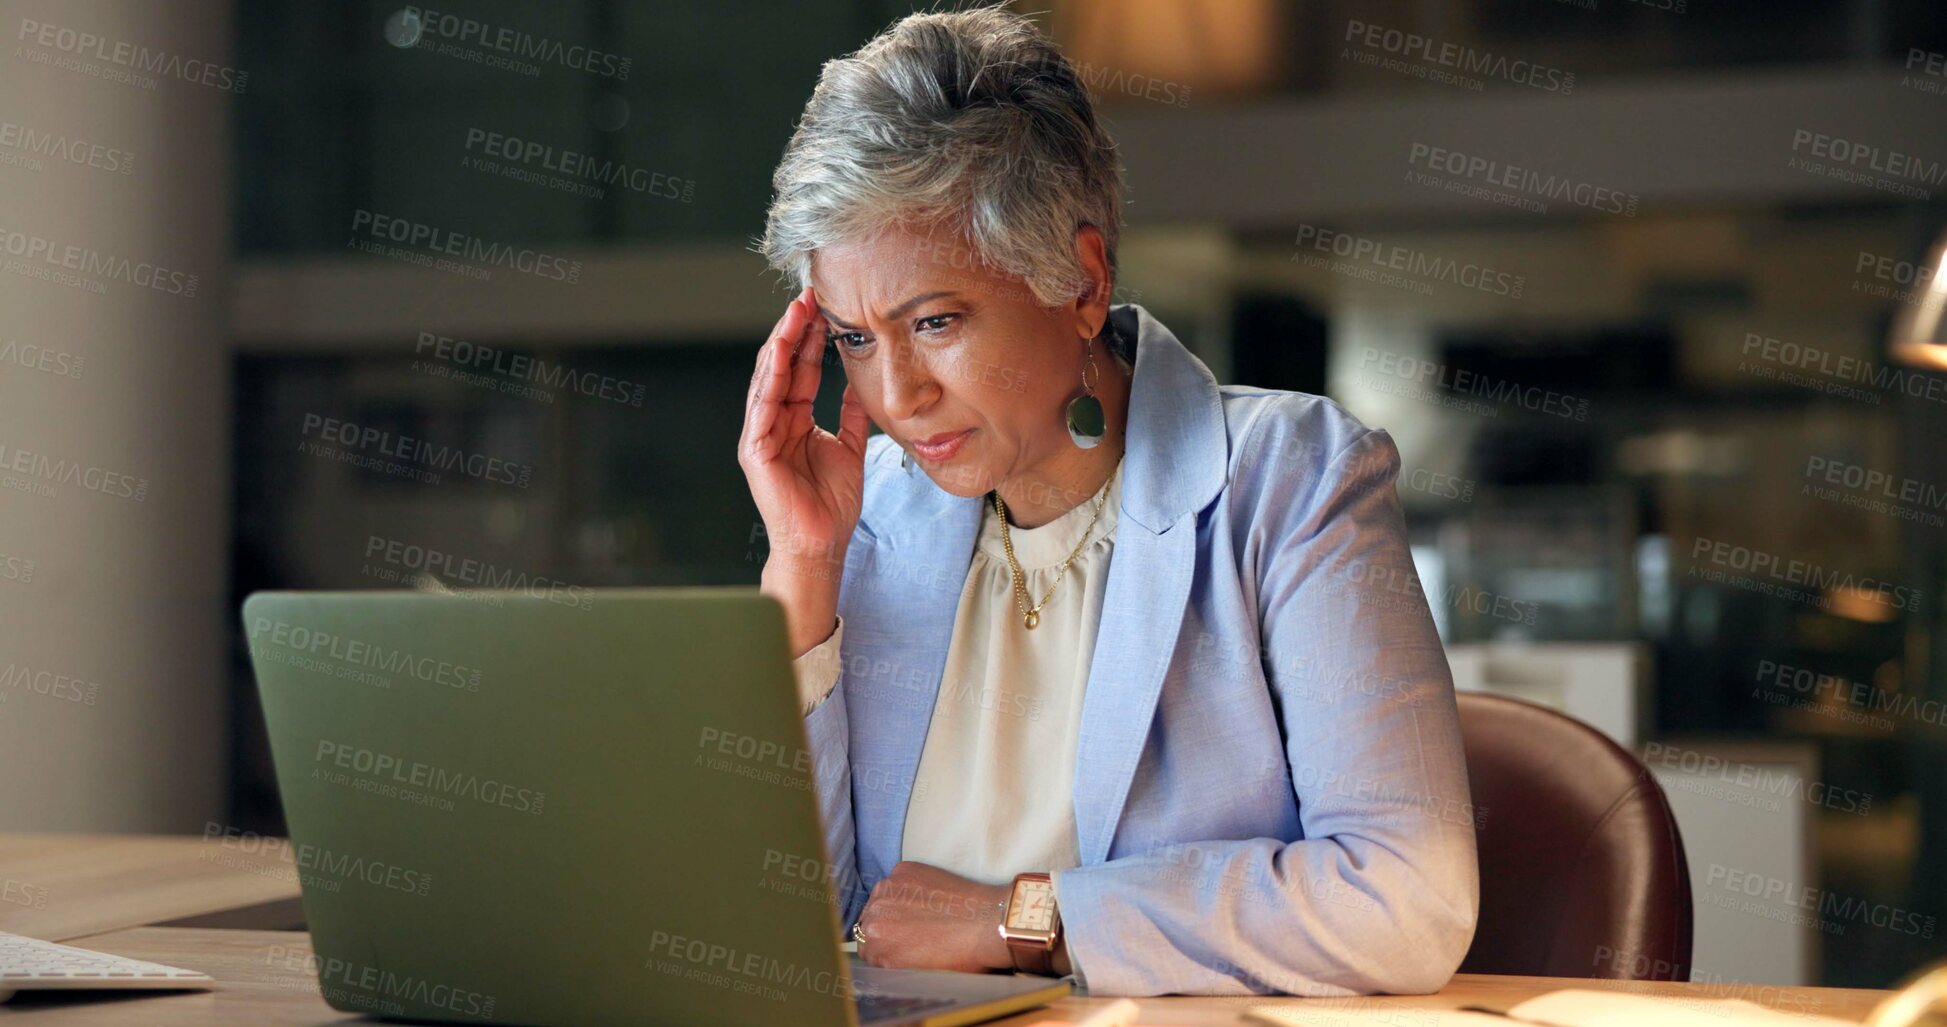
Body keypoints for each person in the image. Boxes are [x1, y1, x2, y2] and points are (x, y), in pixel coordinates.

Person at [738, 5, 1477, 998]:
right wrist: (803, 571)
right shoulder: (871, 518)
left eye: (937, 320)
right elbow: (785, 926)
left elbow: (1404, 895)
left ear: (1081, 283)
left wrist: (1025, 919)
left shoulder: (1292, 480)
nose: (896, 394)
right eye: (858, 339)